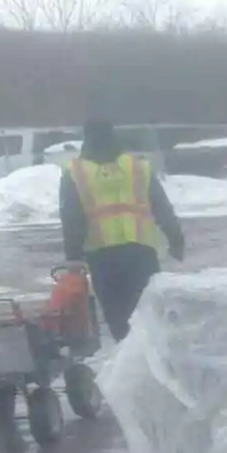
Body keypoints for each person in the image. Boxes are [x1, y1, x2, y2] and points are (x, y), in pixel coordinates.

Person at [60, 120, 185, 342]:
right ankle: (153, 362)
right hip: (141, 252)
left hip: (103, 256)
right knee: (147, 312)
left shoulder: (75, 172)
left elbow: (72, 216)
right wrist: (175, 238)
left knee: (118, 318)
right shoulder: (136, 166)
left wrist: (73, 257)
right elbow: (160, 205)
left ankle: (130, 364)